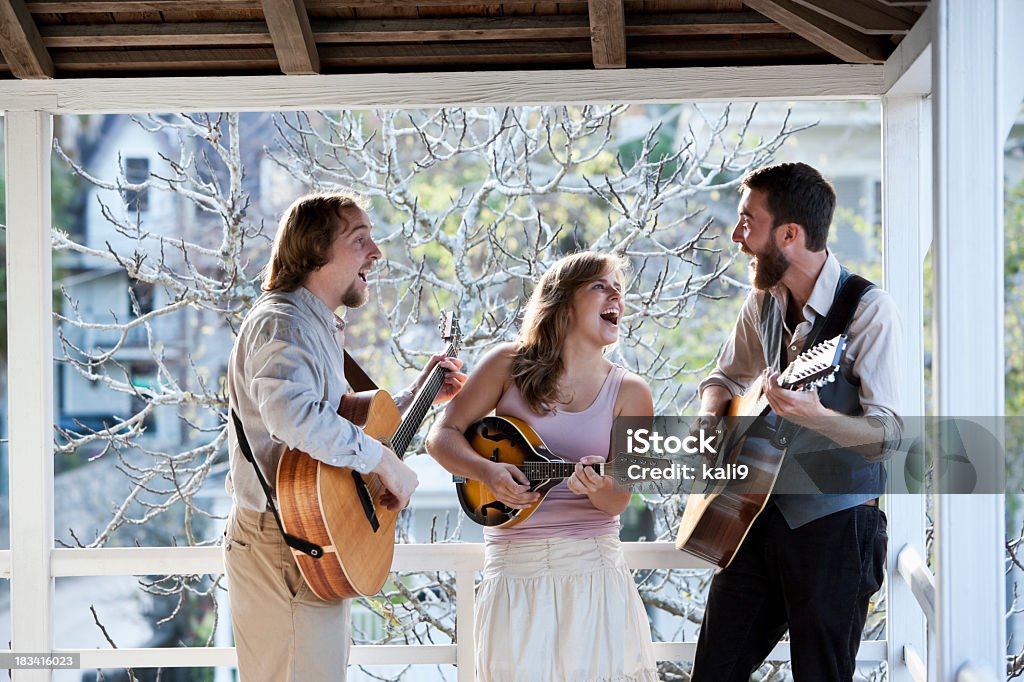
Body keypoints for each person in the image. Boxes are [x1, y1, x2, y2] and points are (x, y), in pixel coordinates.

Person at [224, 191, 466, 681]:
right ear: (316, 252)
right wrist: (382, 460)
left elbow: (336, 421)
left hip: (306, 535)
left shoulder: (311, 325)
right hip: (283, 541)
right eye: (360, 241)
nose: (376, 253)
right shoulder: (282, 321)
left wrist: (414, 396)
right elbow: (292, 417)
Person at [689, 162, 902, 682]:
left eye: (747, 222)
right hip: (754, 520)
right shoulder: (761, 302)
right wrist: (711, 419)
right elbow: (721, 377)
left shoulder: (869, 309)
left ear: (790, 234)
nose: (736, 236)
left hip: (838, 528)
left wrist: (820, 416)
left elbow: (889, 437)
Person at [426, 251, 659, 682]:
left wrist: (595, 487)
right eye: (600, 286)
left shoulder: (632, 392)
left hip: (593, 576)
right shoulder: (505, 364)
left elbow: (616, 502)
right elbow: (441, 436)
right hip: (513, 572)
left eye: (619, 289)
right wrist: (487, 472)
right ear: (563, 302)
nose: (617, 298)